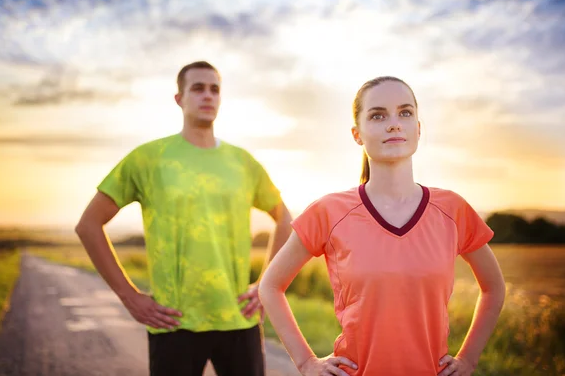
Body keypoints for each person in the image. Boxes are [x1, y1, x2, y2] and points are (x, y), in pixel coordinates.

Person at [258, 76, 506, 376]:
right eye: (378, 115)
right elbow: (271, 286)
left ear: (418, 128)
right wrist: (306, 362)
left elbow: (493, 287)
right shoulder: (328, 211)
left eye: (405, 113)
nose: (394, 124)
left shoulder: (453, 210)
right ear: (357, 134)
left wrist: (468, 359)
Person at [75, 60, 292, 376]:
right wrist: (129, 296)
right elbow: (88, 225)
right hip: (173, 321)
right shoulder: (149, 159)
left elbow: (285, 219)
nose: (208, 96)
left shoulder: (243, 162)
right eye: (198, 88)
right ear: (179, 98)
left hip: (236, 318)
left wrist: (266, 285)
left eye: (215, 89)